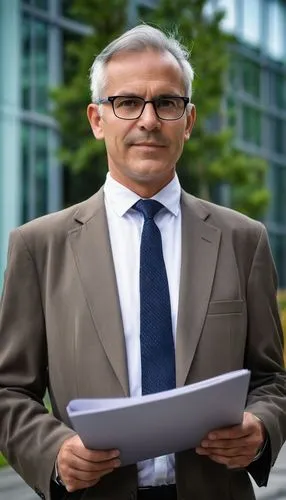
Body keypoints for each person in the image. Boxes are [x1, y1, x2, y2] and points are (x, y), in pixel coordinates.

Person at [0, 24, 285, 500]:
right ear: (96, 119)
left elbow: (273, 379)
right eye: (127, 102)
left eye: (167, 103)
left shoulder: (244, 241)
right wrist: (54, 450)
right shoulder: (38, 246)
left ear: (189, 121)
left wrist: (261, 428)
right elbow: (9, 390)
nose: (148, 120)